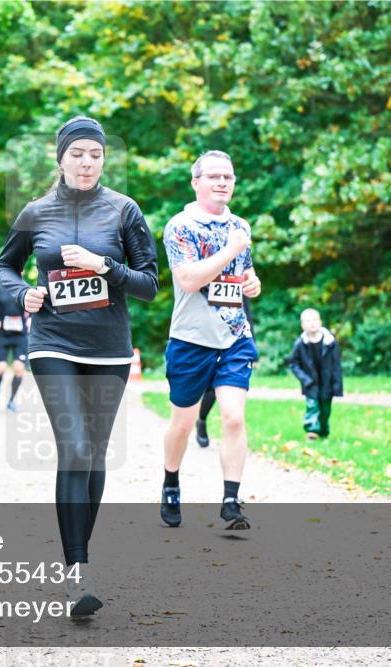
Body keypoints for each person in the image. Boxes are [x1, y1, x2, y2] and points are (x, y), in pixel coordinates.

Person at [0, 116, 158, 616]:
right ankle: (76, 576)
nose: (87, 162)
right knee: (76, 447)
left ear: (103, 159)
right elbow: (5, 267)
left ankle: (78, 565)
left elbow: (149, 284)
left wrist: (102, 265)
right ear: (61, 157)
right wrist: (24, 293)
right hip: (53, 342)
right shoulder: (37, 211)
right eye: (78, 153)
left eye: (96, 154)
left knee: (95, 455)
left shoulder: (124, 210)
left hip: (109, 345)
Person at [160, 149, 262, 531]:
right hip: (190, 339)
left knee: (234, 418)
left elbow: (246, 275)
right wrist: (230, 250)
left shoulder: (241, 225)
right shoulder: (180, 226)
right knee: (183, 424)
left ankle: (231, 502)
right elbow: (188, 279)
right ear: (196, 182)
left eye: (229, 177)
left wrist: (252, 283)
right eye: (215, 176)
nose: (223, 182)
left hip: (235, 335)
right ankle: (171, 482)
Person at [194, 297, 255, 447]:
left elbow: (246, 312)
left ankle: (229, 434)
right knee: (206, 387)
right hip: (203, 339)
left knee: (219, 387)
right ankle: (201, 419)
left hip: (233, 344)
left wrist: (253, 344)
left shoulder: (238, 275)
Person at [288, 308, 343, 440]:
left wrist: (337, 385)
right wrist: (304, 379)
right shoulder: (300, 344)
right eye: (308, 321)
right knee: (312, 406)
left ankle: (324, 431)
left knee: (325, 410)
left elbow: (336, 365)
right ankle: (312, 431)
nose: (312, 323)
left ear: (320, 322)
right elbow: (293, 364)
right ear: (302, 325)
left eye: (315, 320)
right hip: (310, 383)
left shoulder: (330, 342)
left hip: (327, 382)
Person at [0, 282, 29, 411]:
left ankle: (11, 400)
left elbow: (34, 308)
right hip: (1, 334)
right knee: (0, 368)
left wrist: (31, 319)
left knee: (19, 368)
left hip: (19, 335)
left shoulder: (25, 287)